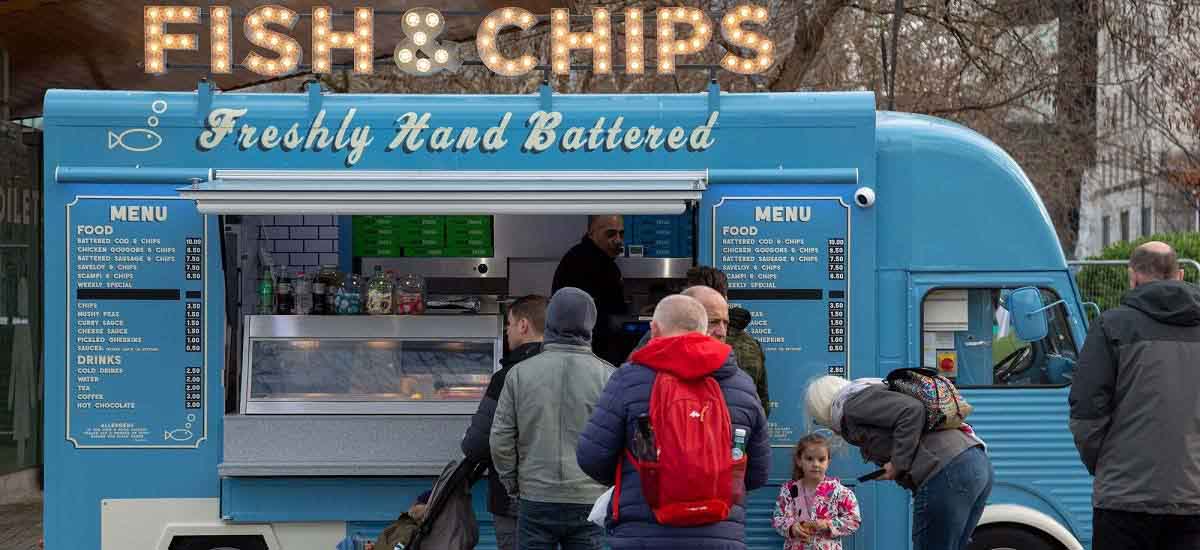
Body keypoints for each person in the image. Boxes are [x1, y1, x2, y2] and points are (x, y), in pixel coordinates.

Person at [577, 294, 771, 549]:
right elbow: (757, 474)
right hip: (719, 537)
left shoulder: (629, 379)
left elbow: (592, 458)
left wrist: (639, 472)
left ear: (654, 329)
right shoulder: (742, 385)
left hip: (643, 536)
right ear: (704, 331)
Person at [1069, 241, 1200, 550]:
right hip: (1193, 499)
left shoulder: (1110, 326)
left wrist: (1105, 464)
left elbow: (1086, 413)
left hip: (1124, 500)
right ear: (1180, 274)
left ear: (1133, 276)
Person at [490, 287, 616, 550]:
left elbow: (500, 439)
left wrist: (515, 484)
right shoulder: (609, 376)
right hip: (589, 499)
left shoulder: (518, 374)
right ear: (590, 324)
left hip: (535, 496)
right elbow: (617, 441)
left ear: (550, 323)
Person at [805, 376, 992, 550]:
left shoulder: (852, 405)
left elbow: (912, 411)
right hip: (973, 463)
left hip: (947, 470)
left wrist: (897, 464)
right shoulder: (867, 394)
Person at [460, 294, 547, 550]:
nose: (507, 331)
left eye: (508, 324)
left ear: (523, 325)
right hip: (571, 502)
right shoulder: (583, 372)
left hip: (515, 504)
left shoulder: (507, 376)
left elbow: (477, 445)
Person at [552, 215, 627, 365]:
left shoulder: (600, 261)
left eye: (621, 234)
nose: (618, 239)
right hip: (589, 353)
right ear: (592, 233)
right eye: (611, 234)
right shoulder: (582, 262)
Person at [772, 433, 861, 550]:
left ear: (828, 461)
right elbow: (778, 519)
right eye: (809, 459)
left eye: (821, 459)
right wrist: (792, 528)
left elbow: (854, 520)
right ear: (799, 461)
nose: (815, 464)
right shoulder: (789, 491)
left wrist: (828, 525)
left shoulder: (839, 492)